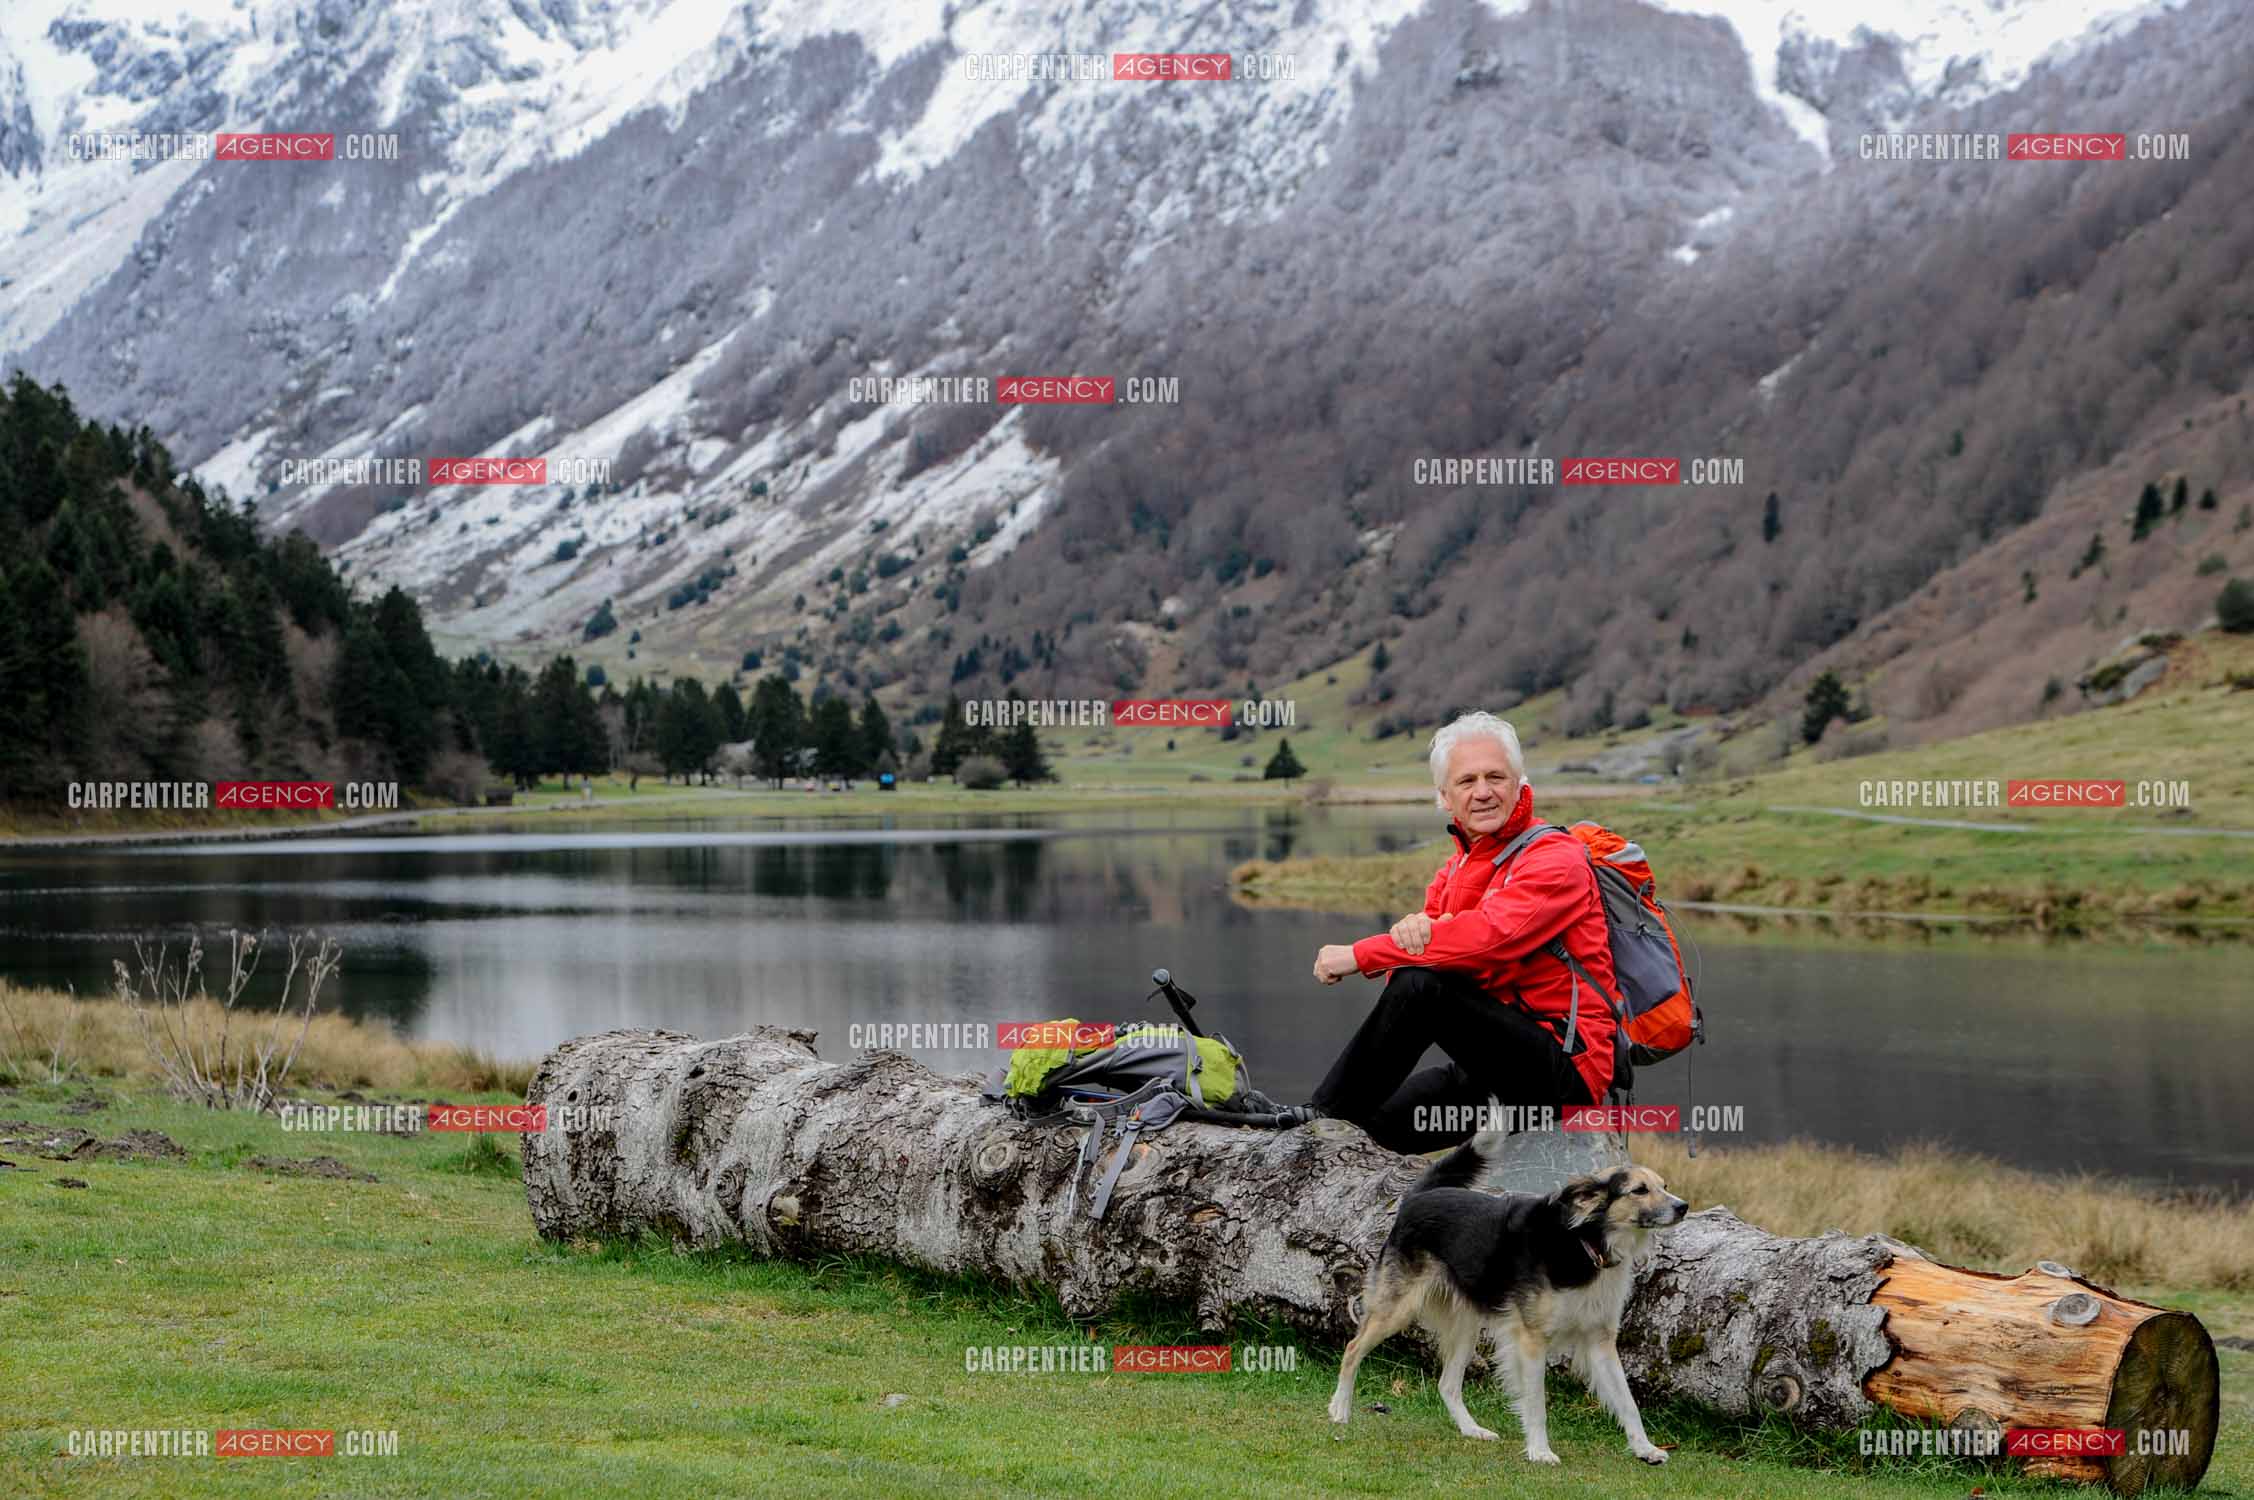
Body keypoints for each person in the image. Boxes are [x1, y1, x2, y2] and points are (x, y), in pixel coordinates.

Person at [1305, 712, 1615, 1152]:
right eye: (1467, 781)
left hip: (1561, 1078)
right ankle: (1321, 1133)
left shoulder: (1555, 858)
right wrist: (1420, 940)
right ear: (1445, 798)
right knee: (1369, 1129)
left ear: (1519, 783)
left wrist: (1362, 954)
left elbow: (1490, 939)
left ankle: (1319, 1121)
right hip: (1490, 1075)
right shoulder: (1454, 871)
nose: (1483, 792)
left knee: (1421, 987)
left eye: (1496, 777)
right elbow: (1413, 979)